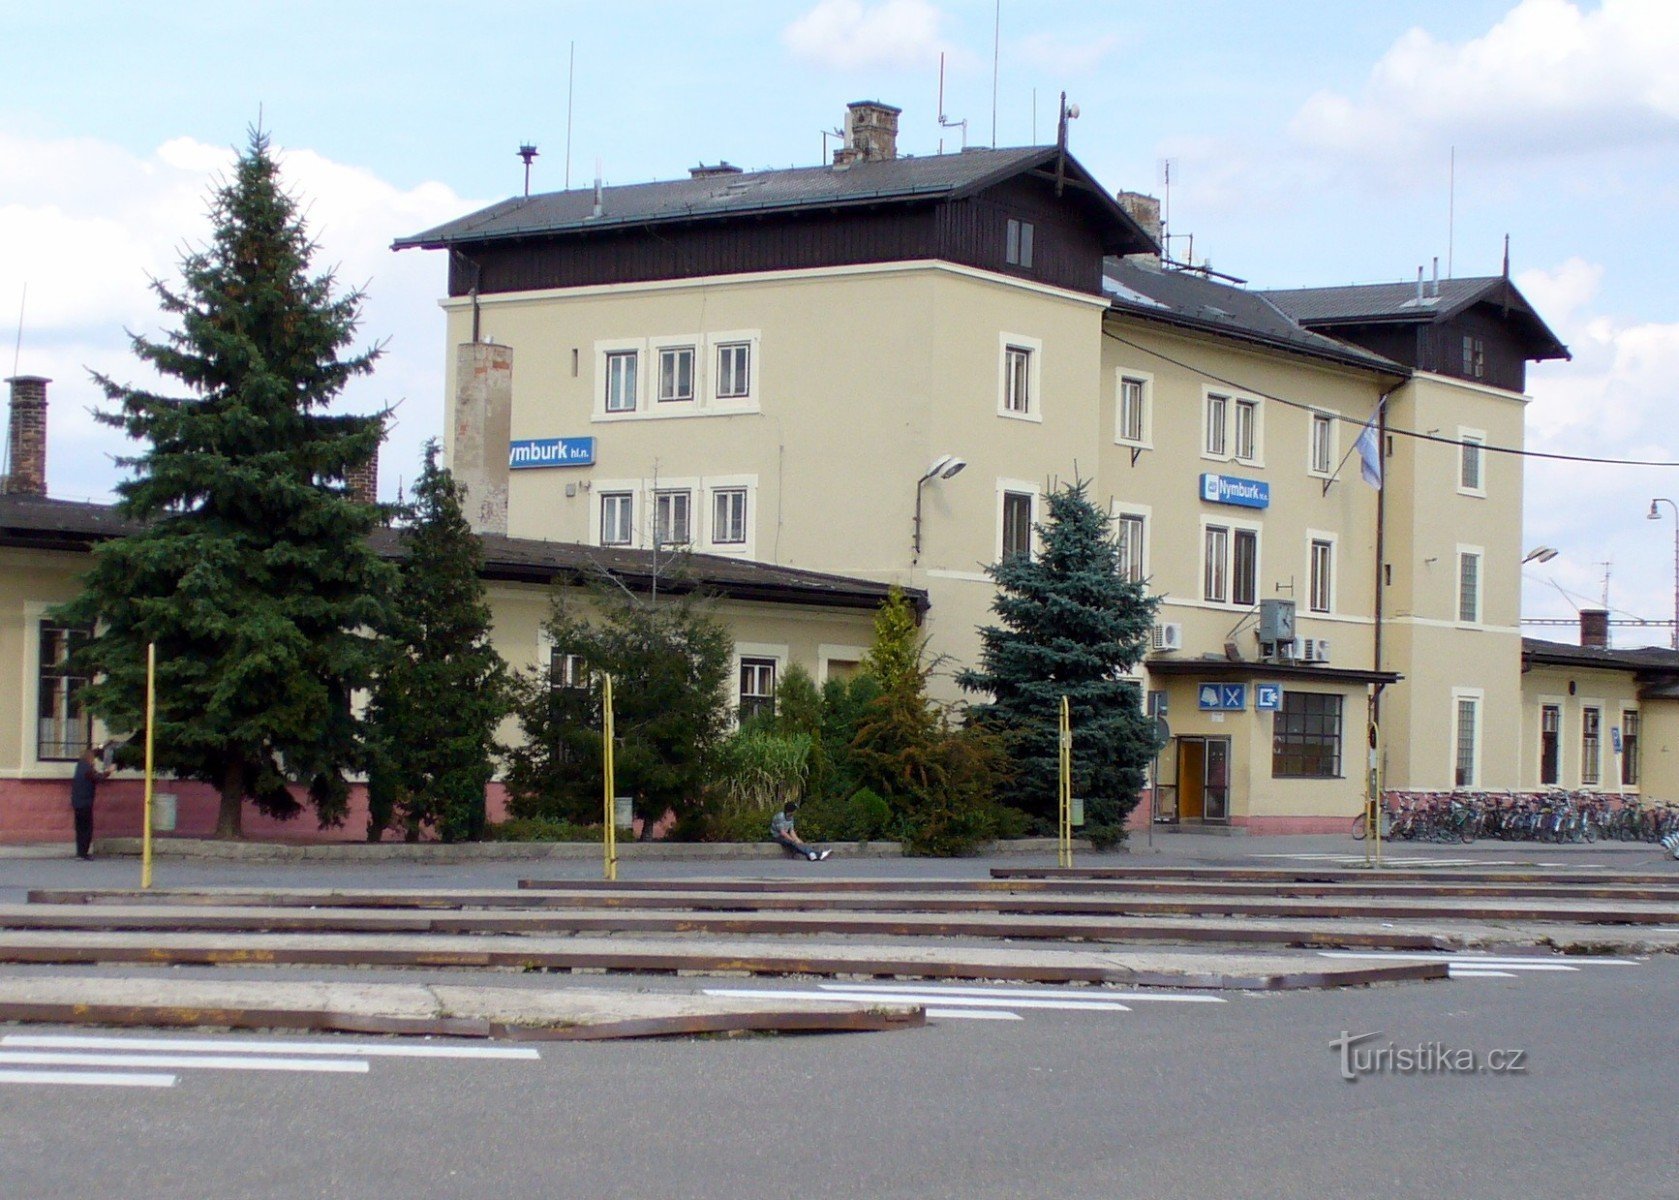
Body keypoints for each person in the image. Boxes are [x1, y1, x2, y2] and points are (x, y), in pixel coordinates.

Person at [69, 742, 111, 861]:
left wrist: (100, 747)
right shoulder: (87, 769)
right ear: (89, 758)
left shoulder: (80, 765)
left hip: (77, 802)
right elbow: (98, 778)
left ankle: (80, 853)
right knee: (86, 828)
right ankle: (83, 853)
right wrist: (109, 771)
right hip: (85, 802)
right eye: (93, 759)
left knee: (79, 828)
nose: (94, 761)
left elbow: (94, 754)